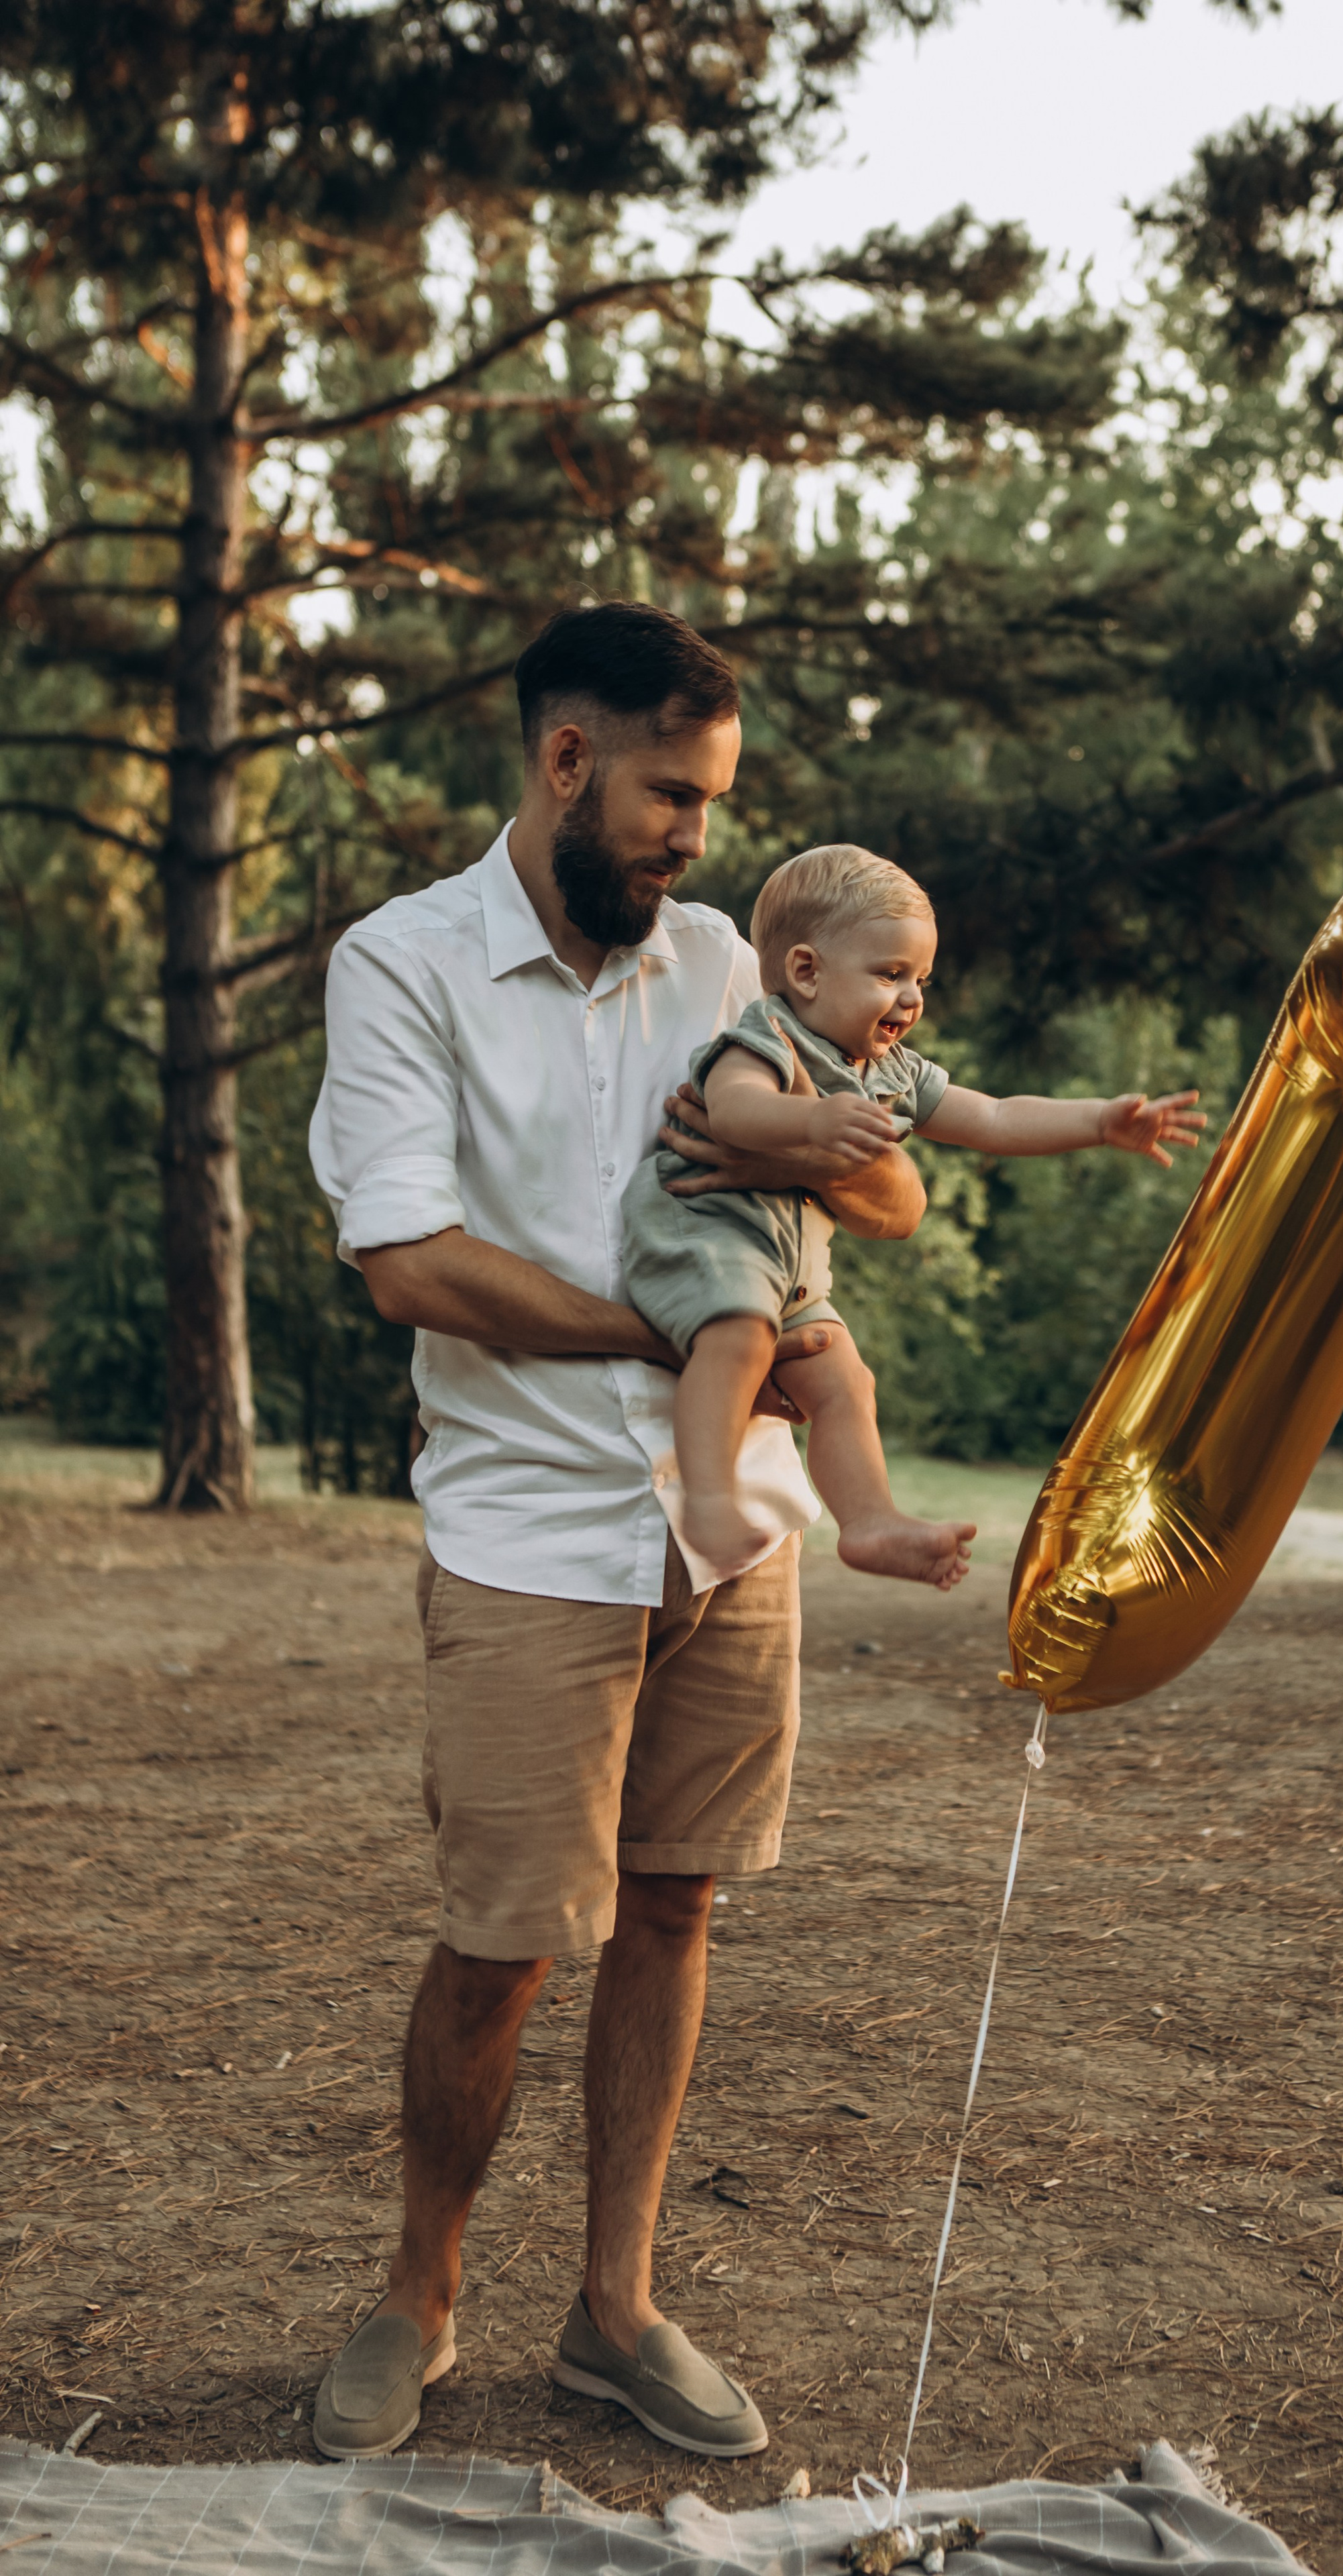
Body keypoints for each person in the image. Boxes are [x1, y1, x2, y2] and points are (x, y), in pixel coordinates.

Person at [305, 601, 928, 2465]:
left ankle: (617, 2311)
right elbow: (411, 1259)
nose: (694, 838)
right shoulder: (401, 962)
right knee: (502, 1942)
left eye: (716, 801)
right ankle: (420, 2299)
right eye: (669, 794)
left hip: (731, 1535)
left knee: (677, 1907)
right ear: (568, 760)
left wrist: (819, 1155)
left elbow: (890, 1186)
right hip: (525, 1532)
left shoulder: (737, 954)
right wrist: (677, 1325)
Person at [623, 843, 1206, 1587]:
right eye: (889, 974)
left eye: (920, 979)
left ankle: (868, 1522)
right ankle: (706, 1498)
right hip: (705, 1234)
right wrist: (810, 1125)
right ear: (805, 972)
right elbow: (732, 1108)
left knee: (847, 1384)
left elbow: (992, 1118)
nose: (911, 998)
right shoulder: (768, 1036)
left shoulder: (891, 1070)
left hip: (786, 1274)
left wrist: (1099, 1122)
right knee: (739, 1335)